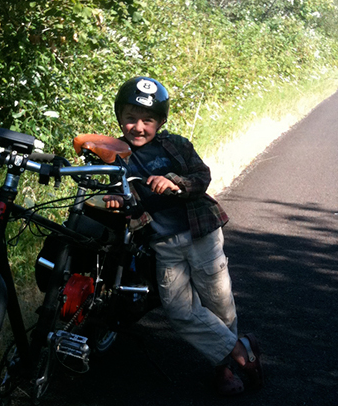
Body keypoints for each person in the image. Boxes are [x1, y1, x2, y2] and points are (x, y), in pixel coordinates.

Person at [103, 76, 263, 395]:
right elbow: (115, 192)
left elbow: (201, 175)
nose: (138, 127)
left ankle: (223, 372)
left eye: (147, 120)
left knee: (219, 304)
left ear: (160, 121)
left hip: (201, 233)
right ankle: (240, 352)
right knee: (178, 309)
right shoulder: (115, 155)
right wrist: (116, 200)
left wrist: (174, 181)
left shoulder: (175, 144)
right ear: (119, 117)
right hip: (163, 244)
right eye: (130, 118)